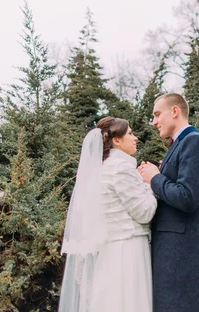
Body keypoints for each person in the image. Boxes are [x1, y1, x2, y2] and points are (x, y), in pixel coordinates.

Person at [59, 117, 157, 312]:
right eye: (130, 133)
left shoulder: (104, 168)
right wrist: (150, 183)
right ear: (117, 140)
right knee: (128, 302)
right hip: (127, 250)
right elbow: (145, 213)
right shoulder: (120, 168)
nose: (135, 137)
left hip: (111, 250)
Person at [139, 93, 199, 312]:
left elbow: (187, 197)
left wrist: (155, 177)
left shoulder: (195, 142)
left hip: (183, 261)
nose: (154, 122)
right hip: (174, 259)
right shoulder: (181, 144)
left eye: (157, 114)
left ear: (174, 111)